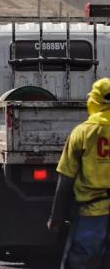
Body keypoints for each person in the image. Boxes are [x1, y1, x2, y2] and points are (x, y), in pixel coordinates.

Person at [48, 78, 110, 268]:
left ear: (95, 100)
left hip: (91, 216)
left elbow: (65, 181)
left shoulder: (82, 133)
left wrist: (56, 217)